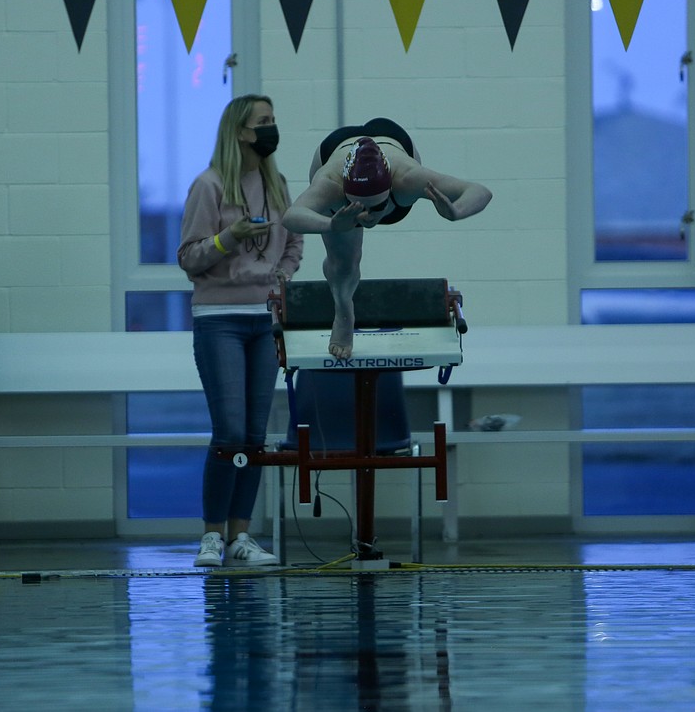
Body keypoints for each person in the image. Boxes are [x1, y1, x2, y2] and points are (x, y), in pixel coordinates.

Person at [177, 94, 304, 567]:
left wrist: (281, 279)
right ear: (240, 133)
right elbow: (189, 258)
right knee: (229, 430)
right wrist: (229, 238)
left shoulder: (277, 185)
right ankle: (211, 535)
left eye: (274, 120)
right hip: (219, 321)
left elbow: (294, 244)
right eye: (264, 122)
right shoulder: (208, 186)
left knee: (253, 434)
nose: (272, 128)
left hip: (264, 320)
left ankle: (240, 536)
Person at [282, 118, 492, 359]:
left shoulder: (409, 178)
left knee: (345, 250)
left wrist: (457, 212)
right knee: (343, 263)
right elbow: (291, 216)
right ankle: (343, 312)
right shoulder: (330, 183)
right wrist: (331, 223)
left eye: (377, 206)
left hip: (393, 140)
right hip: (335, 150)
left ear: (390, 189)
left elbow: (480, 191)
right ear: (346, 194)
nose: (368, 216)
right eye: (359, 206)